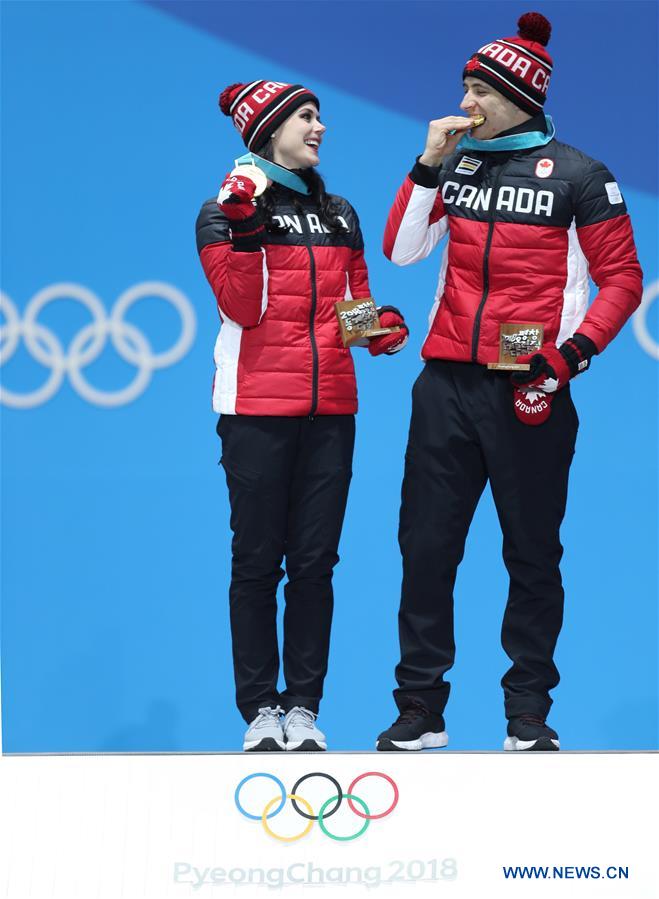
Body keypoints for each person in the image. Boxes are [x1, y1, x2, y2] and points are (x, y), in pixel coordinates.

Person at [376, 12, 643, 751]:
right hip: (445, 387)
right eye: (462, 85)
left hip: (530, 384)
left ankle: (527, 710)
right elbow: (399, 251)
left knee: (531, 552)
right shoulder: (455, 164)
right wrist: (426, 163)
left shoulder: (583, 175)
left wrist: (569, 355)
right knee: (425, 548)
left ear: (516, 96)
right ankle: (420, 708)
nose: (464, 102)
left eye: (476, 90)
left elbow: (622, 279)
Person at [195, 80, 408, 752]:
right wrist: (249, 226)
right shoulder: (218, 211)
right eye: (307, 117)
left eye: (320, 116)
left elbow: (352, 302)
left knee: (315, 563)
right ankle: (260, 709)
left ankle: (304, 708)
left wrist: (374, 329)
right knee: (257, 561)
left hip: (332, 410)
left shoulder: (339, 211)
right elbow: (245, 309)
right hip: (255, 409)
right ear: (268, 128)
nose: (321, 127)